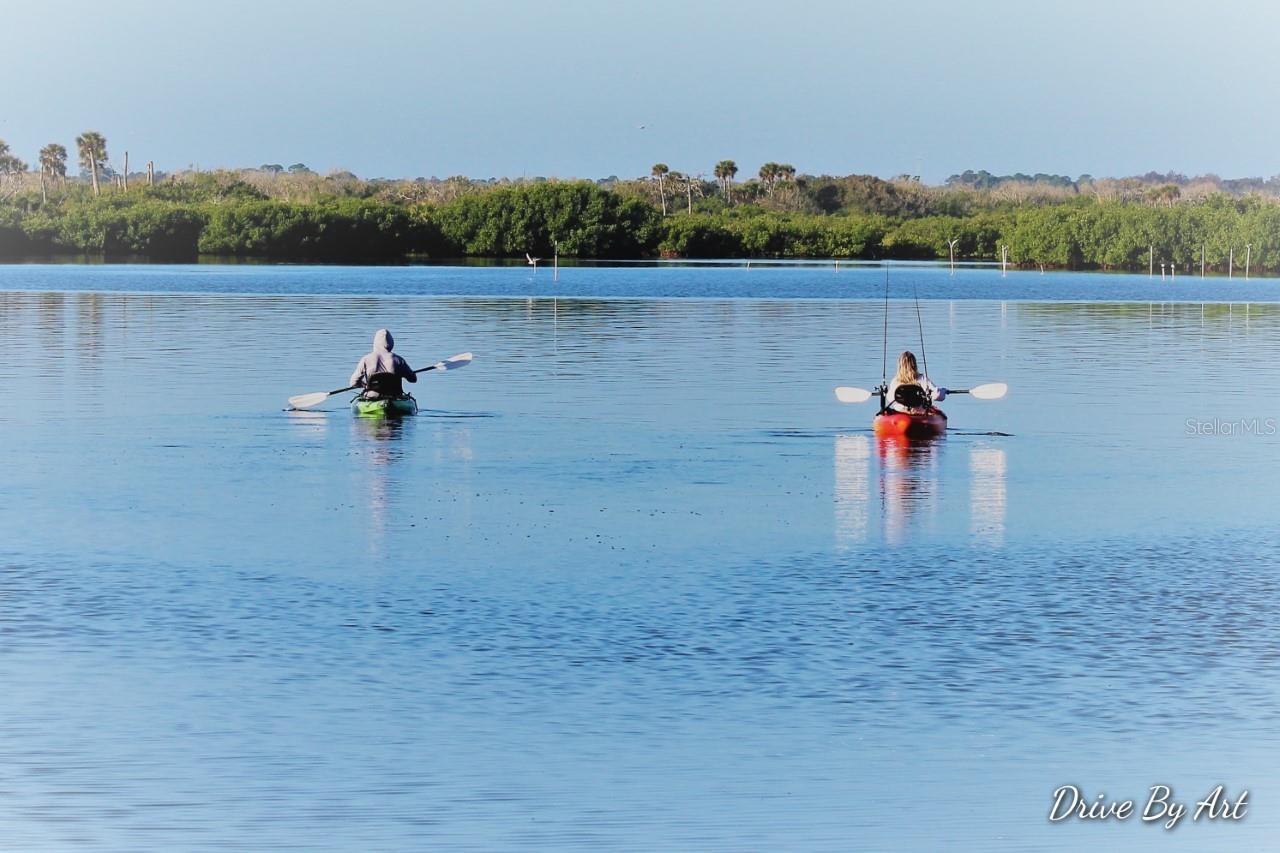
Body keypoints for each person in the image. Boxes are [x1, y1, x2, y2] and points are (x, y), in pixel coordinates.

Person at [350, 329, 417, 399]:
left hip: (373, 396)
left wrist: (364, 385)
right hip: (395, 395)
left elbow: (353, 383)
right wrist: (405, 373)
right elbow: (413, 379)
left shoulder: (366, 359)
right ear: (391, 343)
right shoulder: (399, 360)